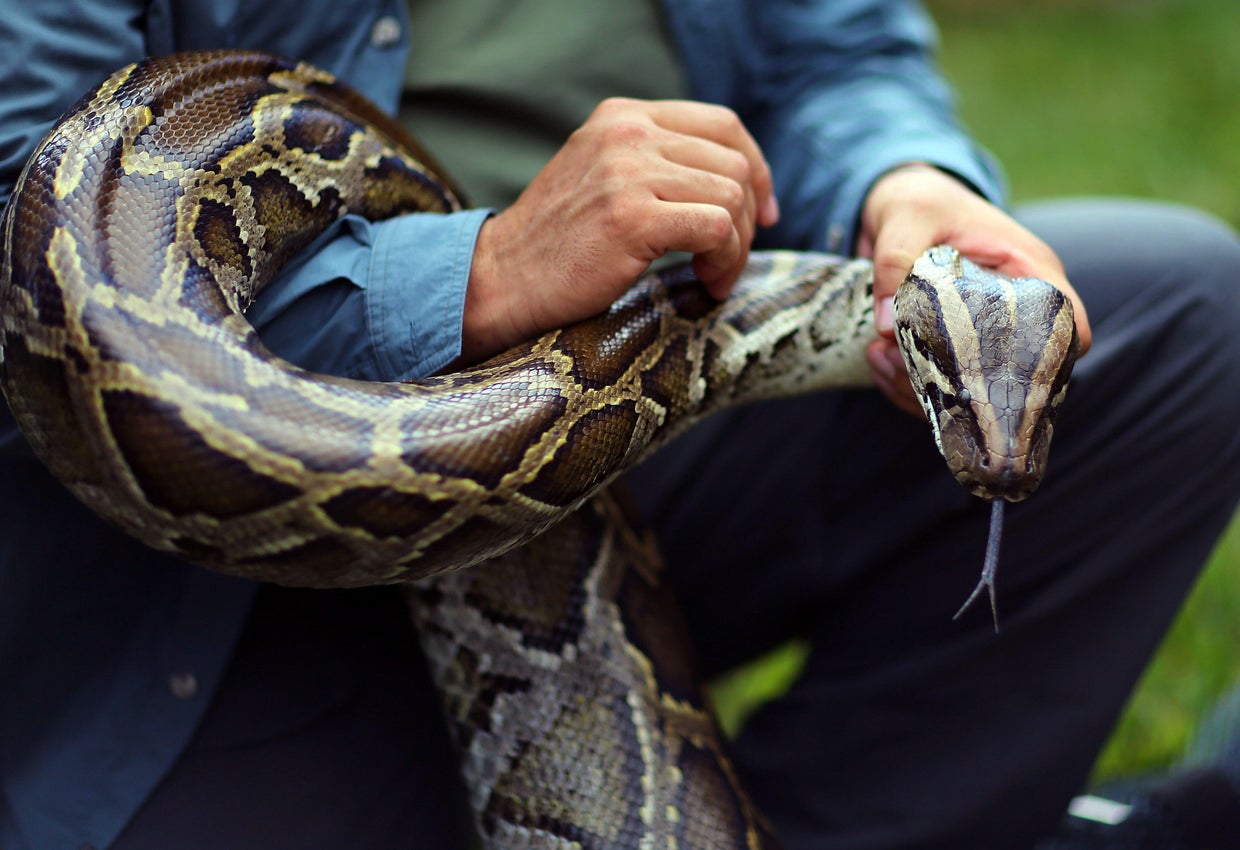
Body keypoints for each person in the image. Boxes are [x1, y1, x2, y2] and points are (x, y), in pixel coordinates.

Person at [0, 2, 1237, 849]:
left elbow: (835, 60)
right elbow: (26, 204)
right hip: (182, 574)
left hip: (627, 395)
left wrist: (903, 179)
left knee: (1179, 311)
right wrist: (484, 272)